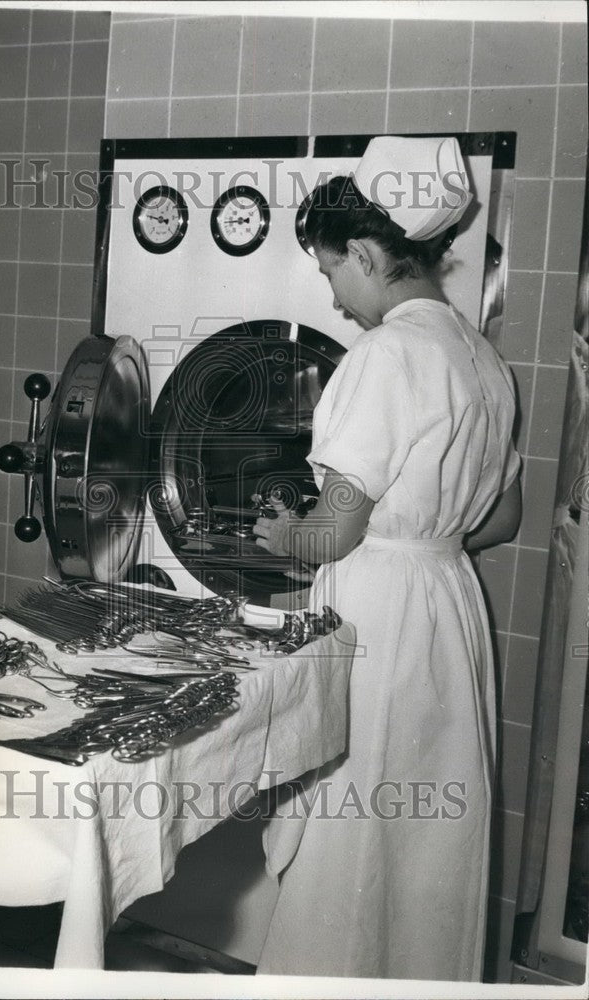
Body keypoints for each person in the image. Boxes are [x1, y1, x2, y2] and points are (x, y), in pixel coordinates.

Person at [252, 136, 522, 982]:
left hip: (381, 621)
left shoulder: (384, 355)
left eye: (333, 273)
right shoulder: (481, 356)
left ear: (367, 254)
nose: (334, 298)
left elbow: (334, 533)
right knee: (421, 838)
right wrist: (422, 534)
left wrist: (281, 538)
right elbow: (503, 517)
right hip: (447, 607)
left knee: (354, 829)